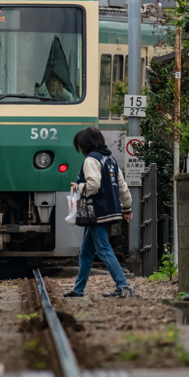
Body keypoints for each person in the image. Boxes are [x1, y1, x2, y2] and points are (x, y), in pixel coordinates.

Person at [64, 126, 135, 299]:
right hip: (107, 211)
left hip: (96, 213)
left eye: (80, 145)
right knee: (86, 252)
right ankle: (78, 289)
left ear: (85, 145)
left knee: (103, 249)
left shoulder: (91, 160)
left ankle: (123, 285)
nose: (80, 149)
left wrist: (78, 186)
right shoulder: (110, 159)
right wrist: (127, 208)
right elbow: (122, 187)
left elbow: (93, 185)